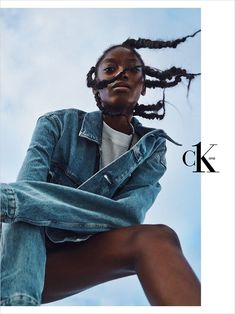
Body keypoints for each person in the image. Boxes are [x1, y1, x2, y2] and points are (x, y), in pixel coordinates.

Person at [0, 30, 201, 306]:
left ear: (143, 86)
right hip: (17, 255)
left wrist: (9, 199)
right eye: (111, 68)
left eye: (132, 70)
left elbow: (126, 215)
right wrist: (17, 201)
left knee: (157, 238)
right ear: (97, 84)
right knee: (24, 214)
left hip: (73, 258)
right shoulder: (57, 125)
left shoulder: (152, 149)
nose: (121, 74)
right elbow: (27, 198)